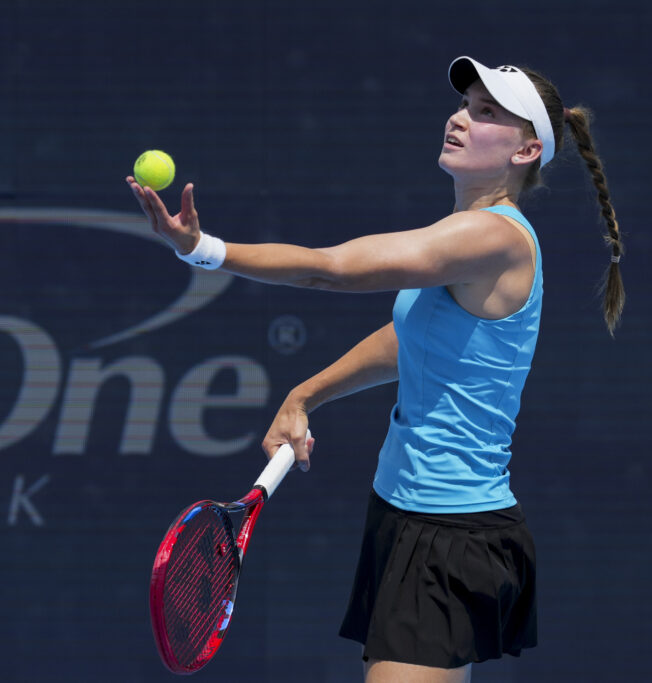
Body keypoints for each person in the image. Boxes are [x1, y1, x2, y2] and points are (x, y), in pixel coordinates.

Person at [127, 55, 624, 683]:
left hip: (450, 532)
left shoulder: (493, 239)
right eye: (464, 104)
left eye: (485, 113)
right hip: (405, 513)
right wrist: (305, 394)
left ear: (525, 152)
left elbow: (330, 269)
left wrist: (203, 250)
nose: (460, 118)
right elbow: (412, 341)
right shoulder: (464, 234)